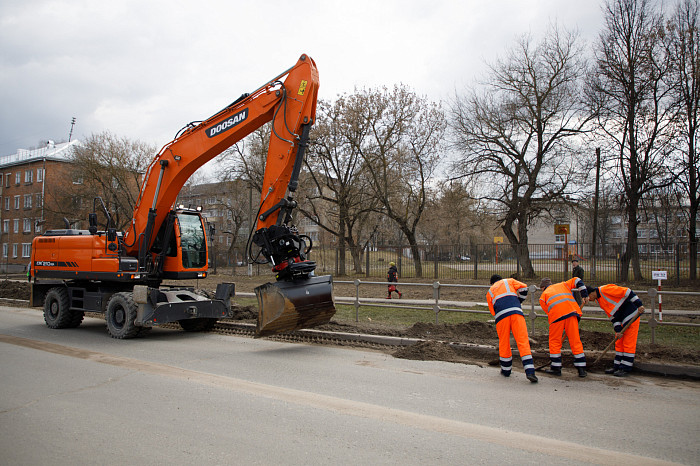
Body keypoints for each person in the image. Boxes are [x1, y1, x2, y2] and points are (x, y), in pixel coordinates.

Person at [486, 274, 538, 383]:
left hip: (501, 317)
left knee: (504, 342)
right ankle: (530, 371)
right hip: (516, 313)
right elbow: (524, 287)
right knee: (523, 341)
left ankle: (506, 370)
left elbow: (492, 311)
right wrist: (519, 301)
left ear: (492, 283)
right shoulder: (508, 281)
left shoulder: (490, 291)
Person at [586, 284, 645, 377]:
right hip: (621, 319)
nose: (588, 300)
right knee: (619, 342)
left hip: (631, 316)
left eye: (588, 297)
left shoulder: (606, 290)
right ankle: (617, 366)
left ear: (592, 293)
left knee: (628, 343)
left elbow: (627, 291)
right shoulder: (600, 301)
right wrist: (618, 330)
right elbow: (613, 317)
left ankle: (625, 368)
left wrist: (639, 305)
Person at [539, 277, 590, 378]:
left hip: (556, 318)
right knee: (575, 341)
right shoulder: (563, 285)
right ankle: (581, 369)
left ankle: (556, 368)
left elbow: (548, 311)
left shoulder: (543, 296)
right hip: (572, 314)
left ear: (543, 287)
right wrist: (584, 294)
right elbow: (577, 280)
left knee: (554, 342)